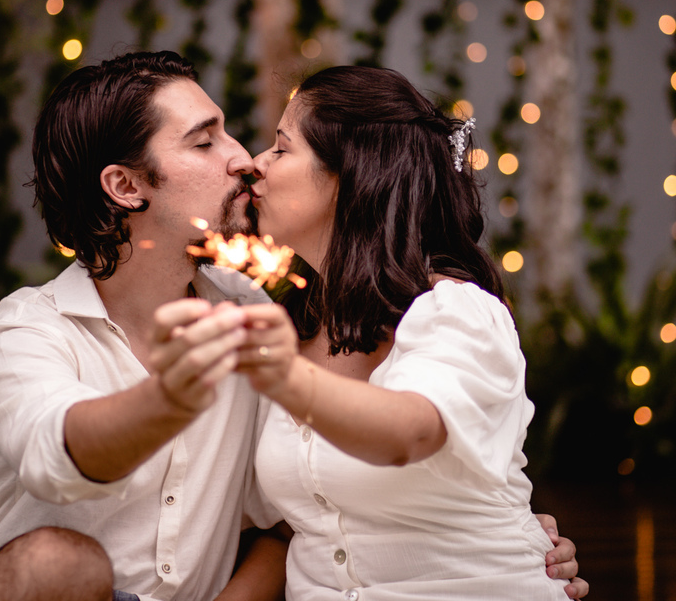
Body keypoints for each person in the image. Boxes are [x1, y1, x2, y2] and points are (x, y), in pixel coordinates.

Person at [0, 52, 584, 600]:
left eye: (271, 144)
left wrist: (498, 533)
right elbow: (63, 457)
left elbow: (298, 518)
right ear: (126, 186)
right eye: (204, 140)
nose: (245, 160)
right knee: (58, 564)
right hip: (31, 590)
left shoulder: (270, 315)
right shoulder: (25, 331)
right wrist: (174, 396)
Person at [162, 64, 588, 599]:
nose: (254, 164)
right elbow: (293, 519)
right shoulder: (291, 317)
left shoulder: (454, 311)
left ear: (352, 177)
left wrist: (282, 375)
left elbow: (412, 431)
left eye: (281, 147)